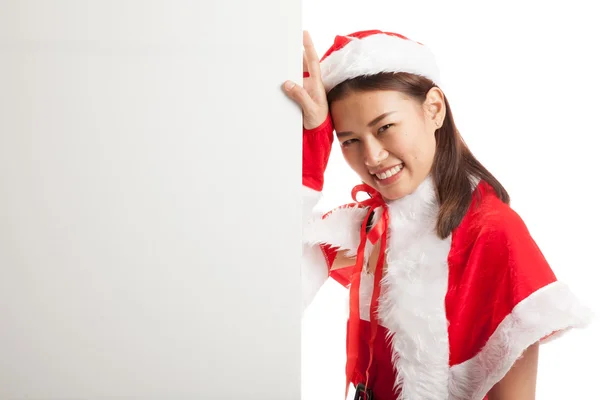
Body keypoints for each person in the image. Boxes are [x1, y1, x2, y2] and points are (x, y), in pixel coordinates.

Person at [283, 30, 592, 400]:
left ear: (434, 109)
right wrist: (313, 140)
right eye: (349, 140)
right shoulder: (369, 223)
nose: (372, 157)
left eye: (385, 128)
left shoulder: (493, 233)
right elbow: (271, 278)